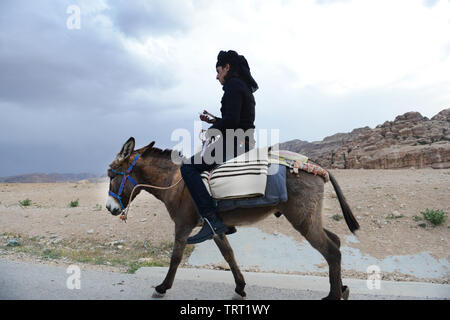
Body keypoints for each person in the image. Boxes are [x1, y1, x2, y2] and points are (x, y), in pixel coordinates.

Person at [180, 50, 259, 244]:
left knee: (188, 167)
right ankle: (225, 217)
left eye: (218, 71)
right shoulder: (243, 87)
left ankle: (211, 219)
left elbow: (232, 121)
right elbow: (236, 118)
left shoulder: (232, 85)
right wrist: (215, 120)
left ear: (227, 67)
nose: (217, 76)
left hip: (236, 143)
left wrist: (212, 130)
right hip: (243, 141)